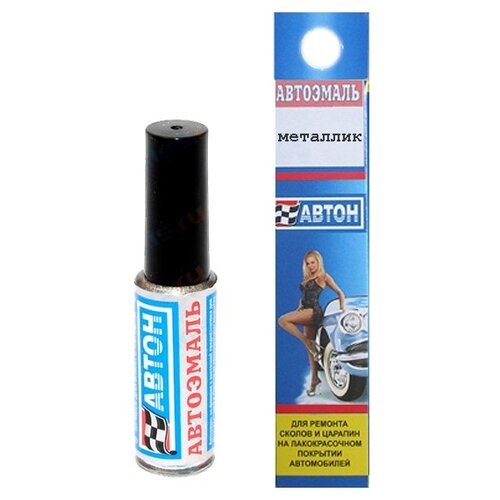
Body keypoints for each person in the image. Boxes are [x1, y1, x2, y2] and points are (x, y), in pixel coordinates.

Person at [278, 250, 345, 396]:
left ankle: (308, 342)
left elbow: (340, 293)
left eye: (313, 262)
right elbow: (305, 295)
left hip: (314, 311)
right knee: (311, 351)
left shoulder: (323, 276)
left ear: (318, 262)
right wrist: (299, 306)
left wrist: (342, 311)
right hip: (306, 310)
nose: (310, 266)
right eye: (308, 263)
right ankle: (315, 379)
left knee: (282, 320)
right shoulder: (308, 277)